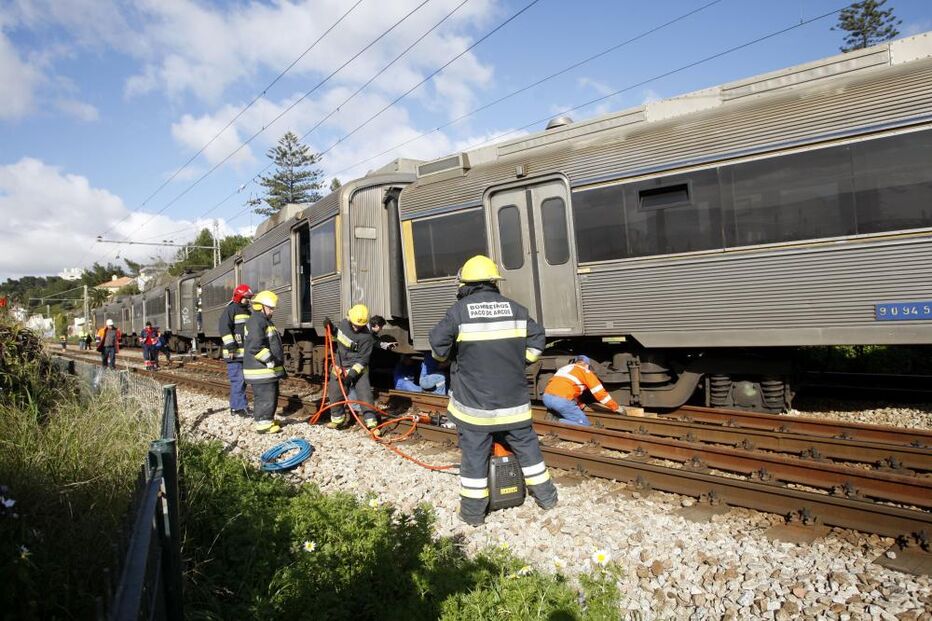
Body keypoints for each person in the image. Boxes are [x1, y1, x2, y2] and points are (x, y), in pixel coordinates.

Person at [429, 255, 558, 526]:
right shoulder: (517, 309)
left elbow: (438, 345)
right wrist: (522, 360)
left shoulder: (459, 311)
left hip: (476, 408)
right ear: (493, 282)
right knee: (529, 450)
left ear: (464, 284)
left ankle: (473, 515)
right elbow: (537, 340)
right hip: (514, 403)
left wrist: (453, 356)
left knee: (475, 458)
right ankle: (547, 499)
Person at [324, 304, 380, 435]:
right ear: (349, 319)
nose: (357, 327)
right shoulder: (343, 324)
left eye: (360, 326)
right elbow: (339, 337)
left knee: (365, 396)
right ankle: (337, 420)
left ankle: (372, 425)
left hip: (359, 370)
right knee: (335, 394)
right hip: (340, 366)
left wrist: (351, 375)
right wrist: (331, 328)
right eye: (355, 324)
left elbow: (363, 360)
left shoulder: (367, 337)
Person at [243, 290, 285, 434]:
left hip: (264, 370)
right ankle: (264, 424)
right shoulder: (257, 321)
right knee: (265, 396)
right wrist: (270, 360)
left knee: (271, 395)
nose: (272, 311)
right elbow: (255, 346)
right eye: (270, 308)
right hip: (260, 370)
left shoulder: (262, 320)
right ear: (261, 306)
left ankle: (268, 419)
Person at [543, 355, 624, 426]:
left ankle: (554, 415)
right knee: (584, 425)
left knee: (564, 407)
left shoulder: (565, 368)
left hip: (546, 398)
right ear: (587, 365)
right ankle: (556, 421)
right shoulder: (585, 371)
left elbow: (568, 390)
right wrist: (616, 407)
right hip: (561, 401)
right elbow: (600, 394)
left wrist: (580, 404)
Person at [219, 284, 253, 417]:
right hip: (234, 354)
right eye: (246, 298)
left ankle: (236, 407)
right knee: (238, 381)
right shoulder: (231, 309)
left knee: (241, 381)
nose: (248, 300)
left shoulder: (247, 311)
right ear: (239, 297)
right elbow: (224, 329)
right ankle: (239, 408)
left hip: (243, 354)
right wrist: (231, 347)